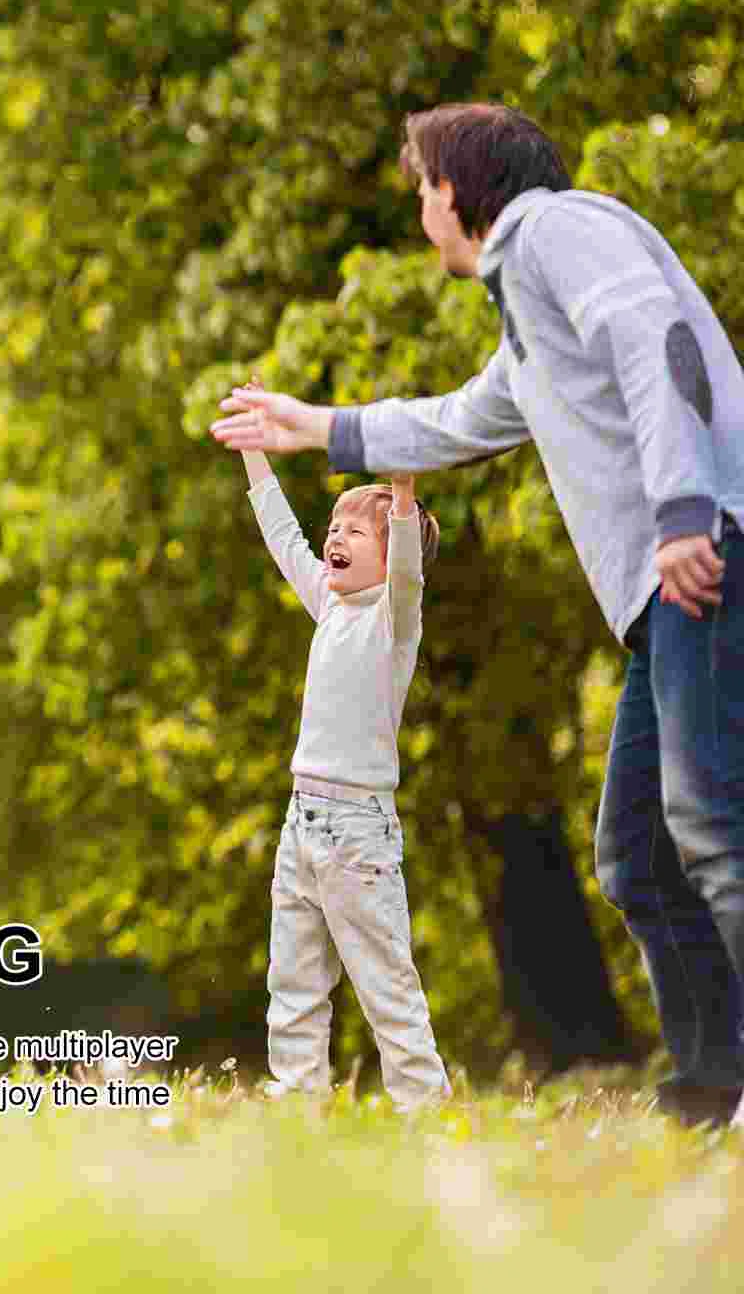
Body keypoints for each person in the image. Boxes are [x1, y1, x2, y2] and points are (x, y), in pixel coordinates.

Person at [211, 103, 744, 1128]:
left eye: (420, 191)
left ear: (456, 190)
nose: (419, 212)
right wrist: (312, 426)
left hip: (705, 550)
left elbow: (655, 338)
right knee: (638, 852)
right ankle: (711, 1095)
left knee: (715, 830)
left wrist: (683, 506)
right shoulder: (528, 315)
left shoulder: (557, 229)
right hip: (657, 596)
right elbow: (459, 419)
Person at [226, 399, 448, 1111]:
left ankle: (427, 1113)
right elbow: (282, 533)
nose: (335, 537)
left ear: (388, 554)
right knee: (292, 980)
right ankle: (299, 1106)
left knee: (386, 984)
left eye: (355, 529)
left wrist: (404, 495)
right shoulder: (329, 604)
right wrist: (255, 454)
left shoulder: (393, 622)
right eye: (335, 528)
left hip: (358, 833)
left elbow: (407, 572)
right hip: (303, 824)